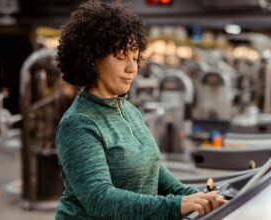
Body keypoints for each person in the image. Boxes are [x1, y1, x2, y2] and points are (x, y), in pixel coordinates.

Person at [55, 1, 226, 219]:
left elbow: (154, 171)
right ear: (92, 59)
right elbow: (101, 200)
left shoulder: (129, 111)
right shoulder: (79, 123)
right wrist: (176, 205)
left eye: (135, 58)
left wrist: (195, 197)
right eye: (121, 57)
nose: (131, 68)